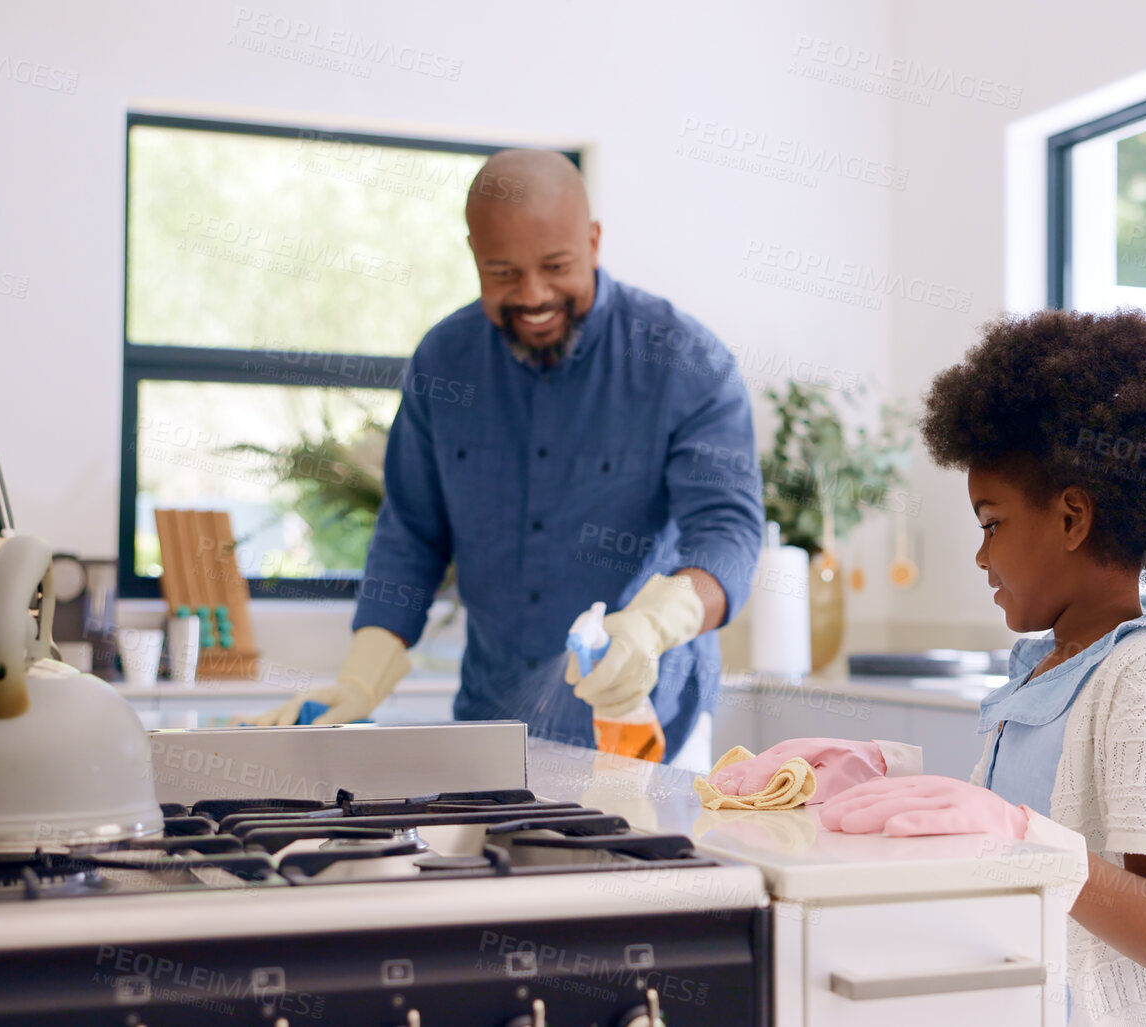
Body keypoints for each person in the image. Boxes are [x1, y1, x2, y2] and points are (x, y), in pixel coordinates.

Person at [711, 308, 1146, 1025]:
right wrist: (881, 778)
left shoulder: (1145, 678)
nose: (980, 554)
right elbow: (1006, 820)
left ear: (1070, 518)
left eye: (991, 522)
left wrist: (1020, 835)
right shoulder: (1045, 667)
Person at [250, 150, 764, 769]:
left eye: (556, 266)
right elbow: (411, 536)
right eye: (503, 273)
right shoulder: (444, 363)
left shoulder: (686, 362)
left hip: (650, 729)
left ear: (594, 240)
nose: (534, 295)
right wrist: (361, 680)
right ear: (473, 255)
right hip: (490, 728)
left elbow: (727, 537)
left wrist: (653, 626)